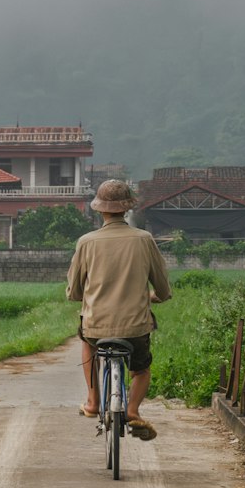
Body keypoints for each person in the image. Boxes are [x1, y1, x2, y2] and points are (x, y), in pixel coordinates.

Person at [66, 179, 171, 441]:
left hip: (96, 325)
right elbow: (163, 288)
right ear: (127, 209)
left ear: (100, 209)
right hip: (136, 328)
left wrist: (84, 295)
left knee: (88, 342)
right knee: (141, 369)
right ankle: (133, 410)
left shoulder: (87, 242)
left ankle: (92, 402)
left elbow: (74, 292)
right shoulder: (144, 240)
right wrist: (153, 296)